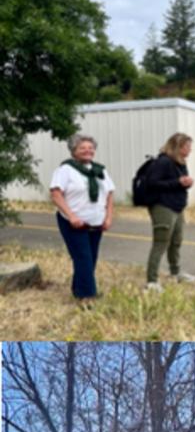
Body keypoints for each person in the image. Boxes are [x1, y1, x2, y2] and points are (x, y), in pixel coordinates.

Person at [49, 132, 114, 309]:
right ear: (73, 151)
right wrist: (71, 216)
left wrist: (108, 217)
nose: (88, 151)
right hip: (73, 222)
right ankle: (87, 296)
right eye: (82, 148)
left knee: (90, 258)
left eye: (90, 148)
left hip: (97, 222)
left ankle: (79, 289)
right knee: (83, 257)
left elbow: (109, 194)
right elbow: (56, 194)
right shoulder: (65, 170)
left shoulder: (100, 170)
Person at [140, 133, 195, 289]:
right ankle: (152, 280)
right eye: (187, 147)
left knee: (176, 241)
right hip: (163, 206)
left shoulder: (180, 162)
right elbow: (153, 183)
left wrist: (186, 183)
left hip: (177, 207)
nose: (190, 150)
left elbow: (177, 183)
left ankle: (175, 272)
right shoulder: (163, 162)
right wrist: (177, 182)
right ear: (178, 147)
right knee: (161, 243)